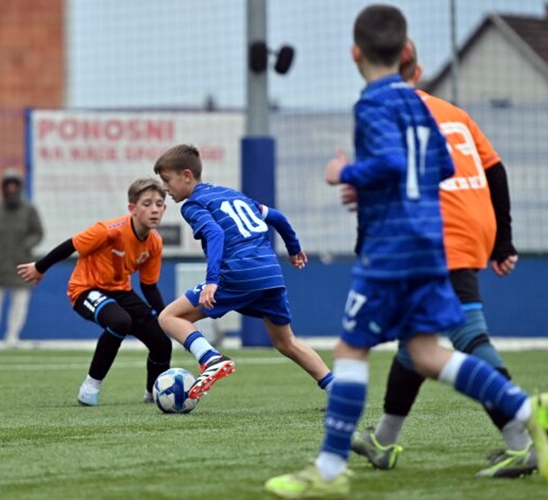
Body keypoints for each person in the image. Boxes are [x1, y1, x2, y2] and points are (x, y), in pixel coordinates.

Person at [264, 5, 548, 499]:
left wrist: (345, 174)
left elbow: (393, 163)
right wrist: (388, 188)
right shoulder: (421, 103)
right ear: (404, 55)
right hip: (430, 243)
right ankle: (528, 412)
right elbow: (441, 166)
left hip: (392, 248)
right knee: (426, 354)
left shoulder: (373, 103)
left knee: (350, 349)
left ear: (355, 53)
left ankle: (330, 470)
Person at [349, 38, 531, 478]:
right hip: (472, 224)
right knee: (416, 339)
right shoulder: (454, 113)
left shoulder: (383, 113)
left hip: (435, 231)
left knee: (466, 333)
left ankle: (523, 434)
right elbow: (495, 169)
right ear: (418, 70)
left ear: (361, 59)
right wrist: (502, 241)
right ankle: (384, 441)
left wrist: (366, 245)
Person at [153, 144, 334, 401]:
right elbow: (277, 217)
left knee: (169, 317)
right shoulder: (233, 195)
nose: (165, 187)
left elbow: (215, 234)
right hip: (270, 273)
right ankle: (337, 391)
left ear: (187, 175)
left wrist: (212, 281)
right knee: (286, 343)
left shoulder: (193, 205)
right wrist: (294, 249)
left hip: (239, 272)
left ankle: (210, 358)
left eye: (167, 180)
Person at [16, 178, 172, 406]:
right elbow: (71, 245)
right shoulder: (108, 231)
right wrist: (39, 268)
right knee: (120, 322)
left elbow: (149, 285)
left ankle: (154, 394)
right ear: (132, 209)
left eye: (159, 204)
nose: (154, 209)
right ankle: (90, 386)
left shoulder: (155, 242)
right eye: (147, 204)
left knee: (162, 343)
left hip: (121, 292)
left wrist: (165, 317)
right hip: (86, 289)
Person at [0, 168, 44, 348]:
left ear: (19, 187)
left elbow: (38, 233)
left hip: (21, 263)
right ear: (4, 187)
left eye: (15, 185)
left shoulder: (29, 210)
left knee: (20, 300)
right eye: (9, 185)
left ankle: (12, 336)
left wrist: (26, 245)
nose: (11, 189)